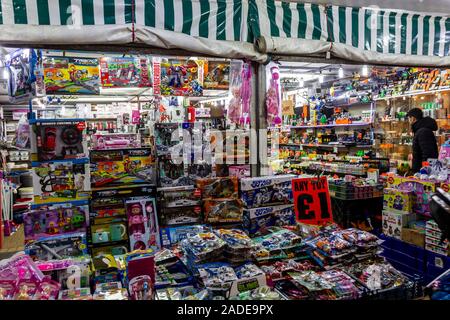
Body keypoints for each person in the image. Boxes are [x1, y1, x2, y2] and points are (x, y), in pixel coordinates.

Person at [407, 108, 439, 173]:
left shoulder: (423, 131)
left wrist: (424, 171)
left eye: (408, 118)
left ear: (413, 118)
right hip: (420, 171)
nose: (408, 121)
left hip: (422, 173)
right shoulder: (420, 130)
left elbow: (428, 154)